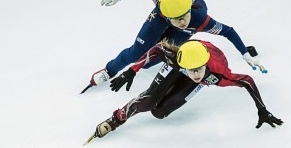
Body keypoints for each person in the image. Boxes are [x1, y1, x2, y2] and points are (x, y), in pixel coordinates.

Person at [85, 40, 282, 143]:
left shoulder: (219, 75)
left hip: (198, 63)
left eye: (199, 69)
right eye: (192, 70)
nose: (195, 74)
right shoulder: (177, 60)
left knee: (159, 112)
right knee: (148, 103)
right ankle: (118, 118)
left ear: (206, 65)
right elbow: (157, 49)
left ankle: (166, 90)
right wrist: (131, 70)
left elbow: (247, 81)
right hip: (181, 61)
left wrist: (261, 109)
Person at [89, 0, 267, 87]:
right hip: (160, 18)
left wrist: (245, 54)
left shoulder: (201, 20)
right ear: (166, 14)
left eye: (185, 16)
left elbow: (228, 31)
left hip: (187, 20)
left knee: (155, 57)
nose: (183, 22)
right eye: (177, 19)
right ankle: (109, 70)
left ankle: (146, 61)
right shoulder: (161, 3)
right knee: (137, 53)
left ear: (190, 9)